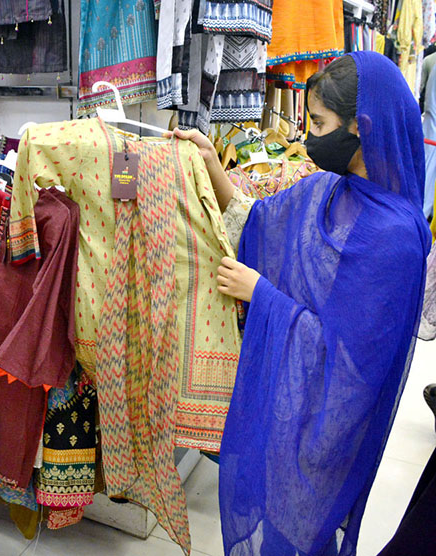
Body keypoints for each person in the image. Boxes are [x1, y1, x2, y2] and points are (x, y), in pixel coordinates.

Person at [173, 51, 430, 556]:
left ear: (361, 127)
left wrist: (261, 296)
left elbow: (352, 365)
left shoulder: (397, 239)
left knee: (304, 531)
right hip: (287, 410)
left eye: (318, 123)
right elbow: (257, 223)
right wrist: (209, 162)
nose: (307, 135)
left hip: (329, 432)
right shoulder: (327, 191)